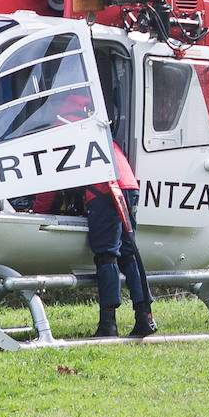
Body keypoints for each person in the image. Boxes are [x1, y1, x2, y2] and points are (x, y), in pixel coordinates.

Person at [86, 141, 155, 338]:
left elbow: (50, 188)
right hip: (129, 185)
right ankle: (145, 317)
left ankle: (108, 324)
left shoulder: (60, 125)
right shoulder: (90, 124)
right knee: (129, 254)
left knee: (106, 256)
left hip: (104, 188)